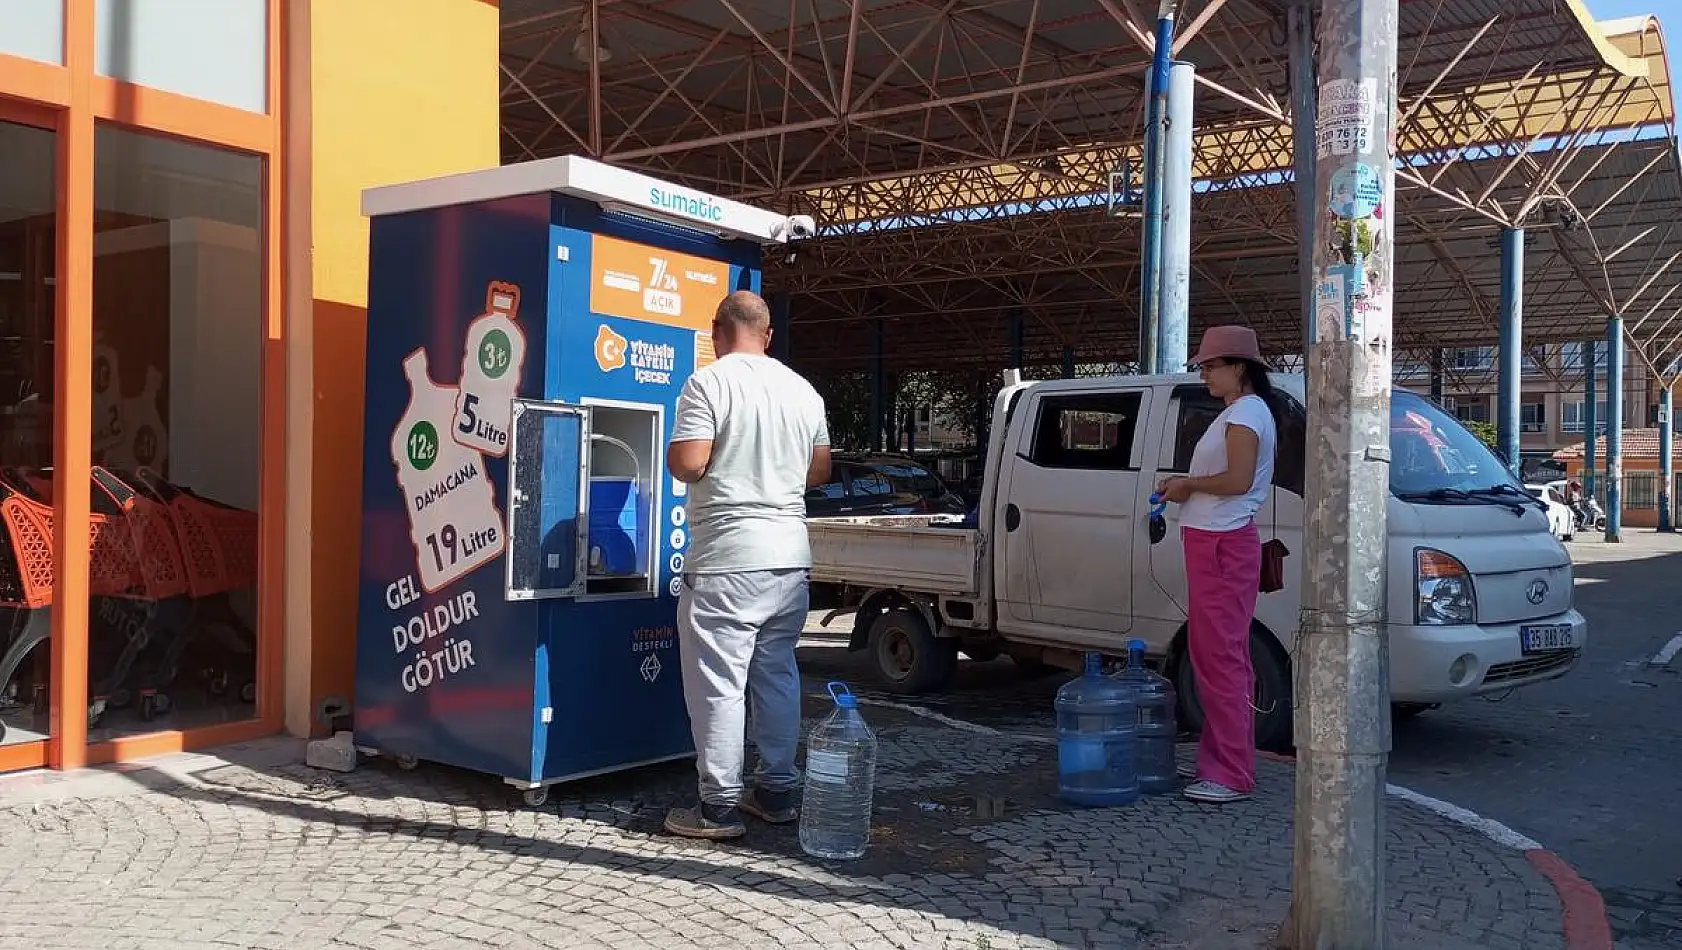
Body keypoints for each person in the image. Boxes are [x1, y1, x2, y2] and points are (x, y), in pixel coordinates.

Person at [663, 289, 832, 840]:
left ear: (716, 331)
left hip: (728, 560)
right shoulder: (803, 390)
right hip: (789, 558)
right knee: (777, 675)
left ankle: (716, 808)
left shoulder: (708, 383)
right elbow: (820, 472)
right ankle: (777, 792)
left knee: (720, 684)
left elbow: (689, 463)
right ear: (768, 334)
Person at [1155, 325, 1278, 805]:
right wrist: (1186, 483)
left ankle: (1230, 772)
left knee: (1221, 660)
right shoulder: (1241, 411)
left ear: (1239, 368)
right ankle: (1224, 763)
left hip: (1221, 544)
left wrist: (1187, 486)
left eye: (1211, 365)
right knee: (1218, 657)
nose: (1204, 373)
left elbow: (1239, 480)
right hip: (1217, 542)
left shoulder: (1246, 413)